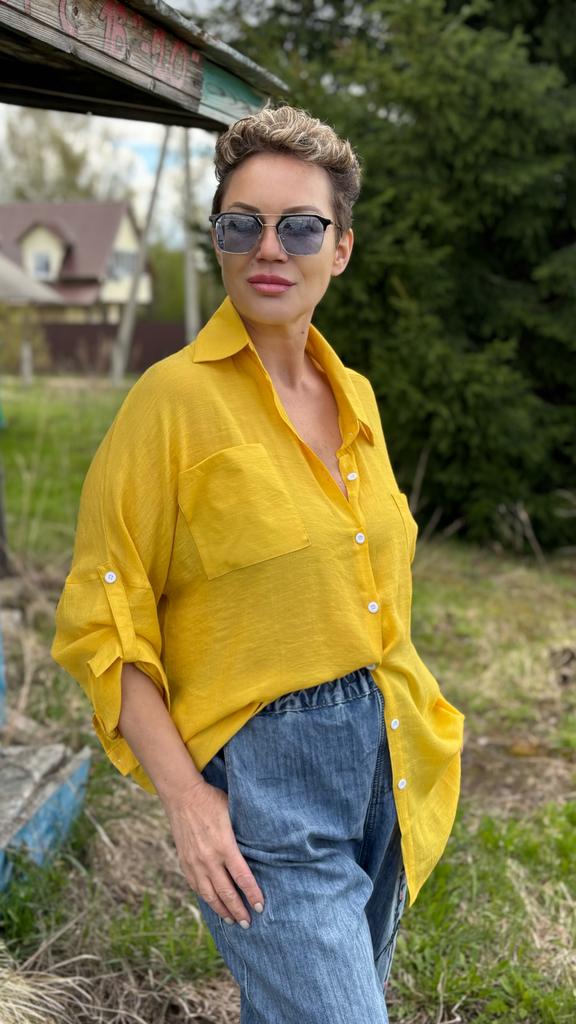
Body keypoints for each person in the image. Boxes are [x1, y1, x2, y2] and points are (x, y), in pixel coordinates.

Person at [52, 105, 464, 1024]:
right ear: (218, 240)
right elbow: (104, 619)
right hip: (266, 793)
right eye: (243, 224)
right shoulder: (171, 403)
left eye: (300, 227)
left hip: (387, 766)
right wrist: (189, 802)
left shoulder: (356, 397)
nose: (269, 248)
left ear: (341, 249)